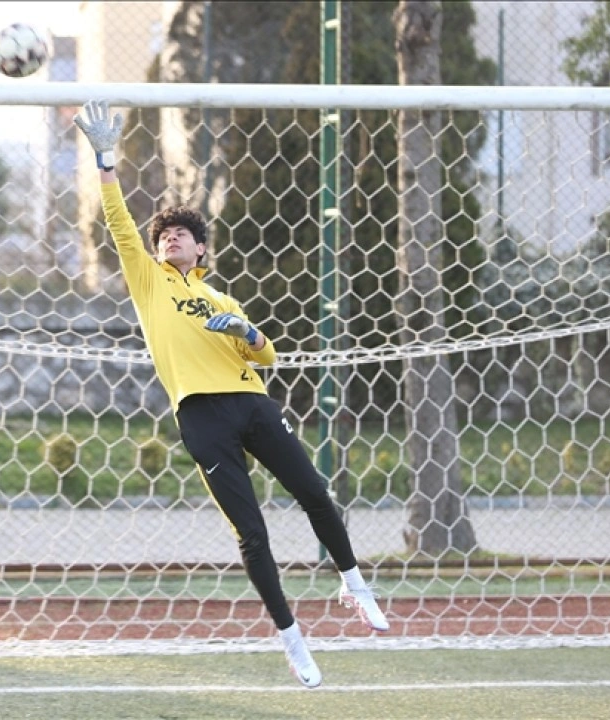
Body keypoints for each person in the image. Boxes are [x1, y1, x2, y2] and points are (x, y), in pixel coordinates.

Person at [74, 100, 388, 688]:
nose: (170, 239)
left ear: (201, 249)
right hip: (202, 416)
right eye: (164, 236)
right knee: (252, 533)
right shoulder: (149, 281)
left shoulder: (222, 299)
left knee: (314, 493)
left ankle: (354, 583)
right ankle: (292, 639)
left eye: (181, 235)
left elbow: (267, 357)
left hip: (253, 403)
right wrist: (106, 160)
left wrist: (248, 331)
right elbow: (118, 221)